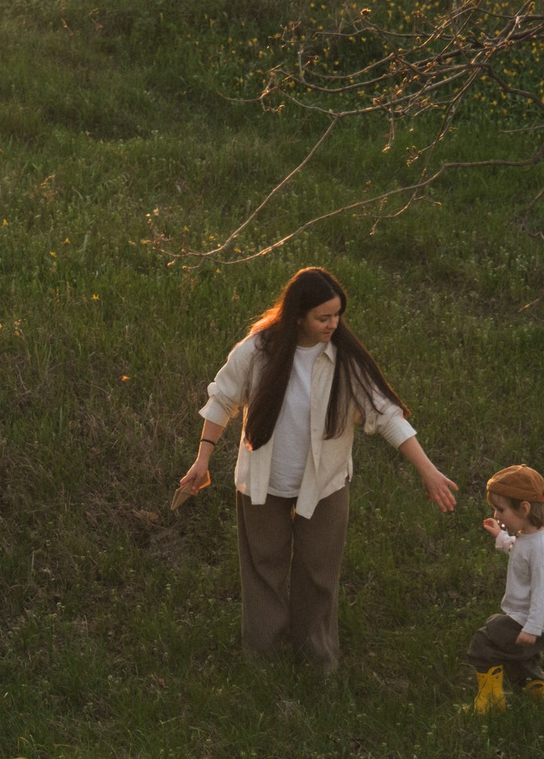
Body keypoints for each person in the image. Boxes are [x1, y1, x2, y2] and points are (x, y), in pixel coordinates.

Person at [178, 267, 459, 668]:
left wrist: (427, 470)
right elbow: (222, 400)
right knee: (264, 570)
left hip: (325, 484)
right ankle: (264, 660)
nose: (333, 325)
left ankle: (317, 659)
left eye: (337, 315)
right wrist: (202, 458)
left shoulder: (345, 359)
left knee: (318, 573)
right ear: (298, 316)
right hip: (264, 482)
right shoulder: (257, 350)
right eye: (323, 317)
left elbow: (385, 414)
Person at [467, 464, 544, 708]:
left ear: (524, 508)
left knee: (484, 642)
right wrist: (500, 536)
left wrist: (532, 627)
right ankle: (539, 692)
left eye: (501, 509)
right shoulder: (529, 536)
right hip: (532, 620)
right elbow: (519, 551)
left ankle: (491, 704)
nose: (496, 515)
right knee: (512, 653)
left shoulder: (541, 548)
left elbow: (542, 591)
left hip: (532, 621)